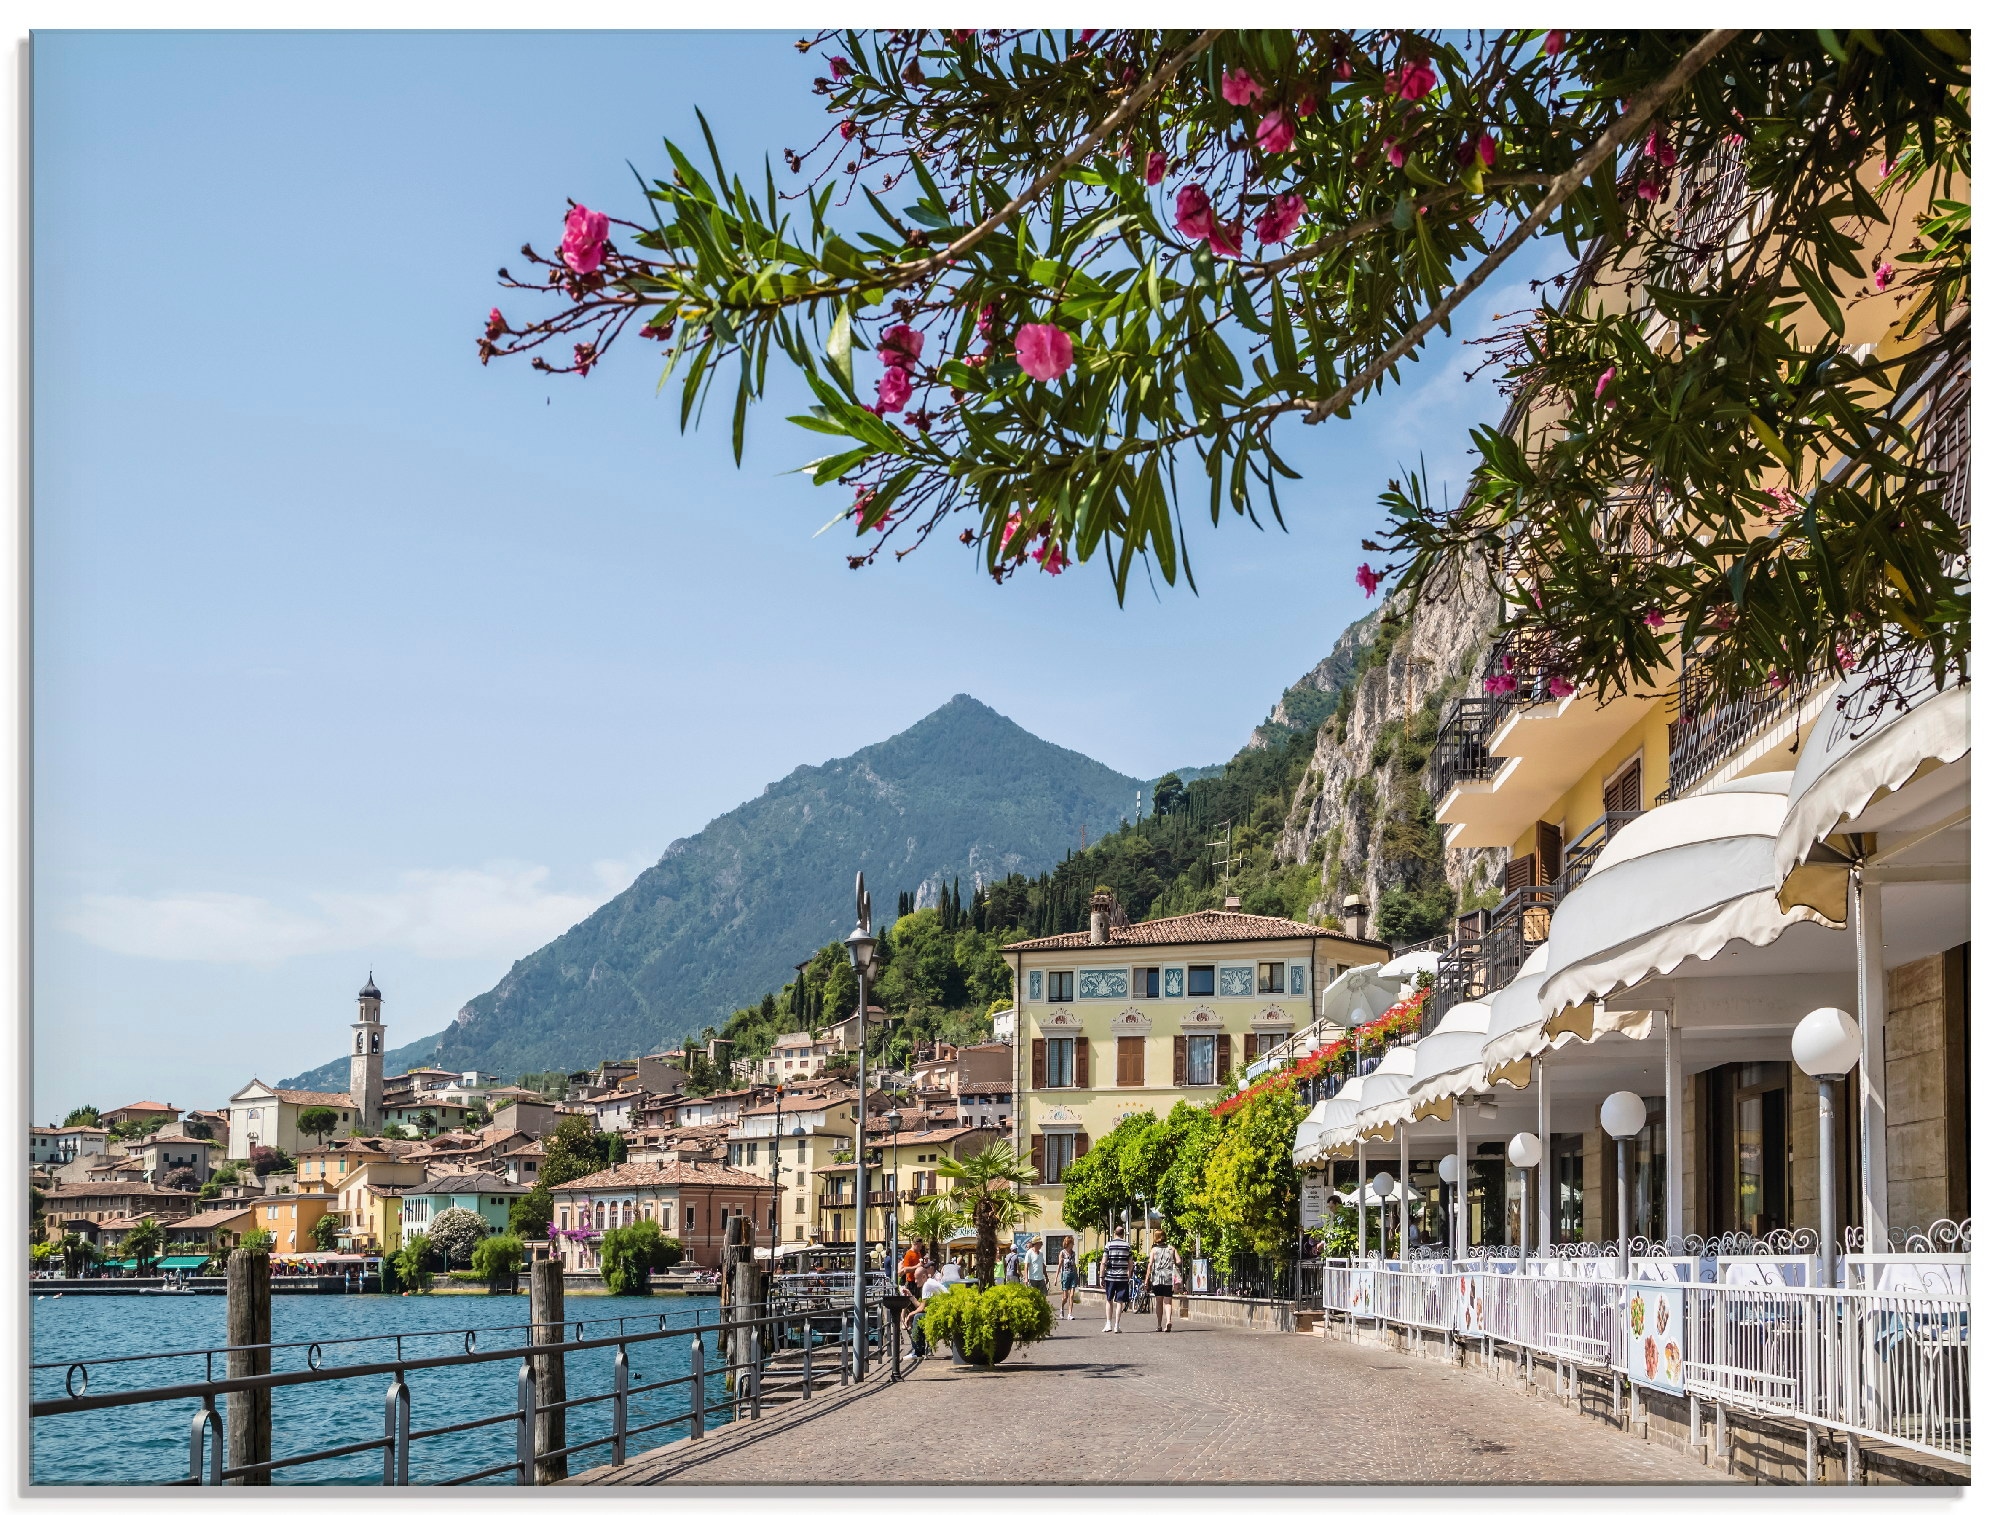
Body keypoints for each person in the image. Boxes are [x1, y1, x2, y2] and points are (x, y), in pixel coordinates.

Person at [1099, 1224, 1134, 1333]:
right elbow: (1131, 1263)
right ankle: (1117, 1325)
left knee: (1109, 1300)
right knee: (1120, 1301)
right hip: (1122, 1277)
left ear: (1114, 1233)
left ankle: (1108, 1323)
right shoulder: (1127, 1246)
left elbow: (1104, 1261)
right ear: (1123, 1233)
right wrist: (1128, 1275)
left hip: (1110, 1276)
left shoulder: (1109, 1245)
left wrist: (1101, 1276)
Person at [1146, 1233, 1182, 1332]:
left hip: (1157, 1279)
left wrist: (1146, 1280)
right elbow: (1179, 1261)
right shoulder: (1172, 1249)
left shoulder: (1154, 1250)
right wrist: (1172, 1261)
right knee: (1168, 1301)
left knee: (1158, 1301)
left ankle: (1159, 1325)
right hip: (1168, 1278)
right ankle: (1168, 1321)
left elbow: (1150, 1265)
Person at [1057, 1240, 1080, 1320]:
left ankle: (1070, 1314)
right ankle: (1062, 1308)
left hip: (1073, 1274)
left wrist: (1077, 1275)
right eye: (1072, 1243)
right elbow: (1059, 1265)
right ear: (1068, 1244)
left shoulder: (1073, 1253)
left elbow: (1074, 1264)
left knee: (1072, 1295)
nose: (1073, 1244)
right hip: (1065, 1275)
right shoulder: (1062, 1253)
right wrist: (1056, 1278)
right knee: (1065, 1297)